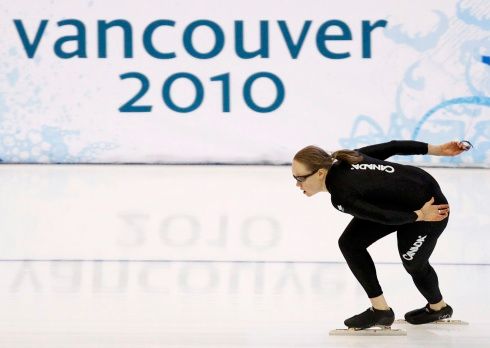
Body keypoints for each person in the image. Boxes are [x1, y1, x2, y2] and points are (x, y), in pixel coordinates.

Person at [291, 140, 471, 329]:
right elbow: (393, 146)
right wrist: (437, 149)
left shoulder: (341, 195)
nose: (297, 184)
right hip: (404, 198)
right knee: (350, 243)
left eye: (300, 178)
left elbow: (383, 217)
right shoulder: (348, 158)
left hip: (431, 209)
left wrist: (419, 215)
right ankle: (380, 310)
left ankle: (439, 307)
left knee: (413, 262)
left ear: (320, 173)